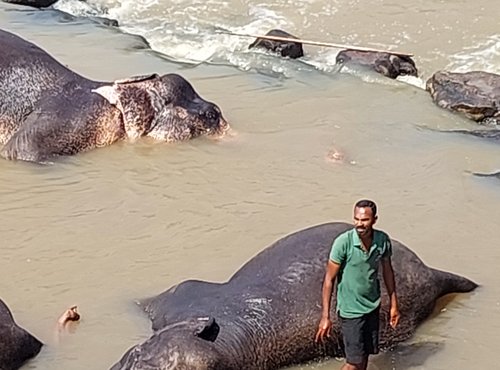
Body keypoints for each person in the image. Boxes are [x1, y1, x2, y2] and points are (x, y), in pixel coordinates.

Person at [315, 199, 400, 370]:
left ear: (374, 219)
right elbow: (328, 280)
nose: (359, 224)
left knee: (364, 358)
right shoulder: (343, 243)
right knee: (353, 363)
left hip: (372, 306)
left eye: (365, 220)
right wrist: (325, 317)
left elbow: (388, 272)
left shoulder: (382, 240)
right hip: (351, 311)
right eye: (357, 219)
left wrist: (393, 304)